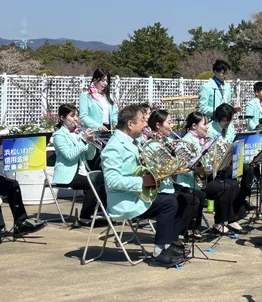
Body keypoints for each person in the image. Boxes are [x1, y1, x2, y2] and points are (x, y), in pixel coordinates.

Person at [100, 105, 185, 267]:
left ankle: (166, 246)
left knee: (175, 198)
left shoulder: (134, 142)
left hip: (138, 195)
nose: (146, 125)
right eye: (142, 121)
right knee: (169, 203)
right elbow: (112, 181)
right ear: (130, 124)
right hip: (125, 201)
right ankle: (160, 252)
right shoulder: (113, 147)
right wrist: (143, 182)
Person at [179, 111, 243, 236]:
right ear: (194, 126)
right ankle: (218, 223)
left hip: (205, 178)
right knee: (223, 187)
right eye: (204, 124)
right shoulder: (186, 142)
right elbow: (186, 166)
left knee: (232, 184)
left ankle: (228, 220)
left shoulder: (205, 139)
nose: (207, 127)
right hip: (192, 181)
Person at [148, 109, 205, 240]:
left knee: (196, 197)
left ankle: (180, 233)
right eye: (169, 122)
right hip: (160, 189)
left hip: (170, 185)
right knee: (190, 200)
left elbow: (174, 164)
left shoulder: (167, 140)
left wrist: (185, 161)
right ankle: (175, 236)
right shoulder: (152, 144)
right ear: (158, 125)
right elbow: (159, 170)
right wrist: (177, 169)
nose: (172, 126)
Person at [52, 103, 107, 225]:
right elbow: (70, 155)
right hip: (68, 174)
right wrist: (83, 140)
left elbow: (89, 157)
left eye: (76, 115)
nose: (76, 119)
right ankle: (85, 217)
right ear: (62, 118)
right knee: (94, 183)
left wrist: (91, 143)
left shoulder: (77, 135)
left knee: (104, 179)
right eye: (72, 116)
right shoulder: (58, 136)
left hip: (83, 171)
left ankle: (100, 213)